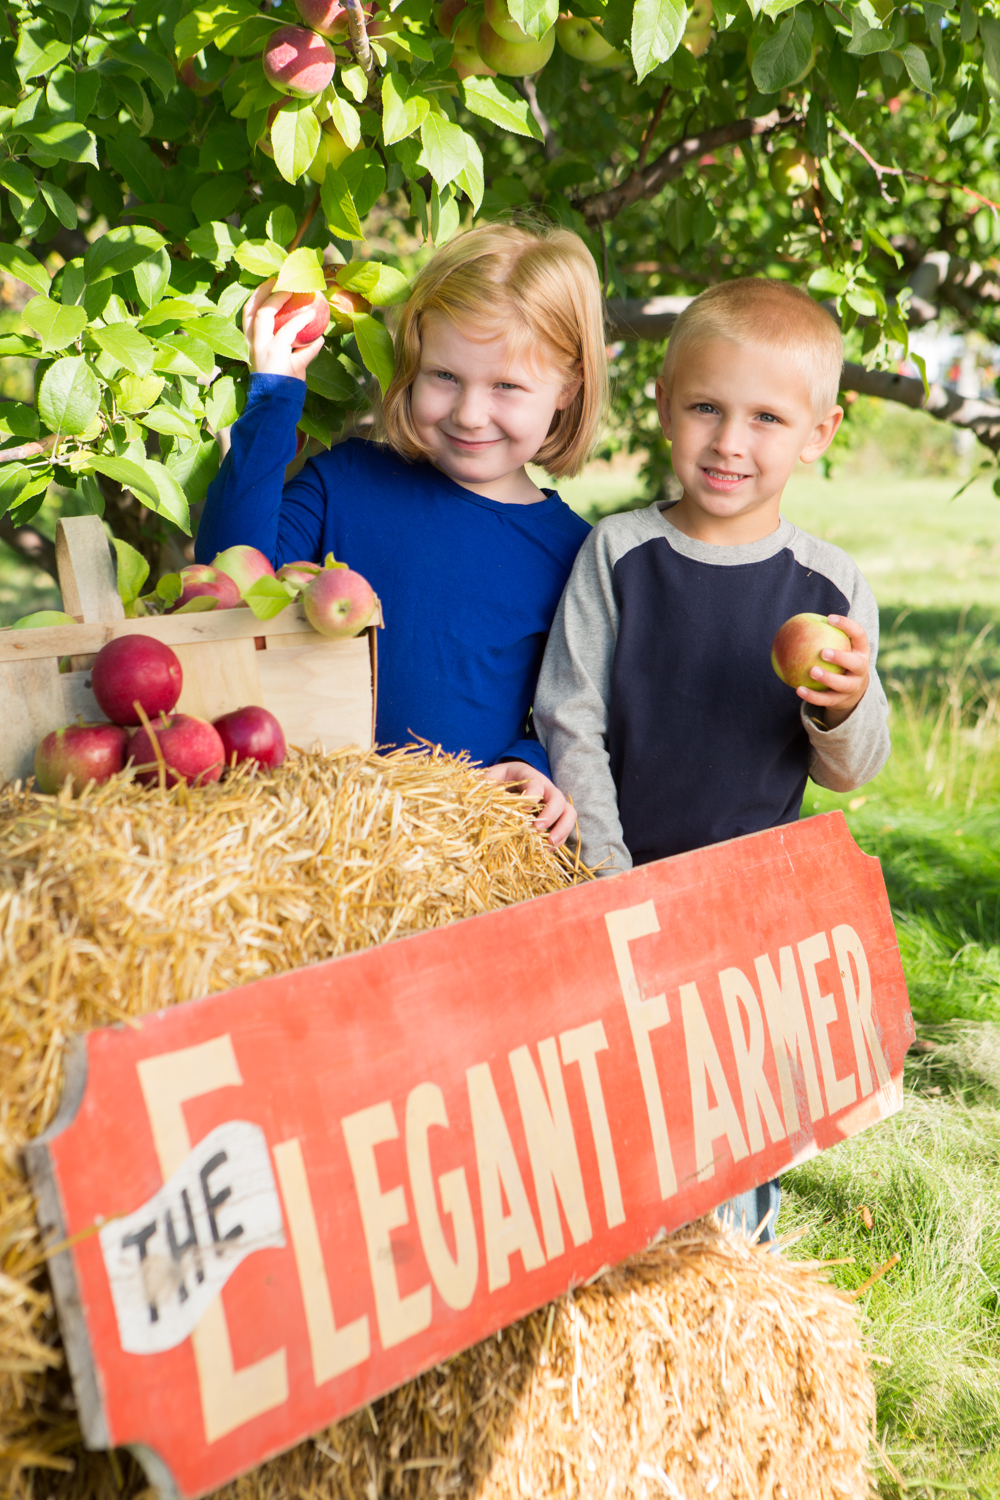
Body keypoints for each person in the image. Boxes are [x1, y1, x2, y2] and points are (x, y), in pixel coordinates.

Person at [533, 277, 891, 1239]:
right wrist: (605, 876)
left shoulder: (826, 583)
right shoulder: (619, 555)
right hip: (617, 884)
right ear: (663, 407)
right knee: (623, 1120)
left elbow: (853, 769)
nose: (731, 442)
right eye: (706, 408)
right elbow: (572, 717)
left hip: (749, 913)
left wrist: (844, 702)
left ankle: (735, 1273)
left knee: (731, 1120)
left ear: (818, 432)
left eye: (767, 417)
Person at [197, 223, 609, 845]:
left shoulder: (574, 554)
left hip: (449, 849)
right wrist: (277, 394)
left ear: (568, 388)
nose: (470, 413)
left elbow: (570, 709)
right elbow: (231, 572)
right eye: (444, 376)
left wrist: (533, 763)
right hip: (300, 827)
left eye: (507, 386)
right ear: (412, 362)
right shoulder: (347, 480)